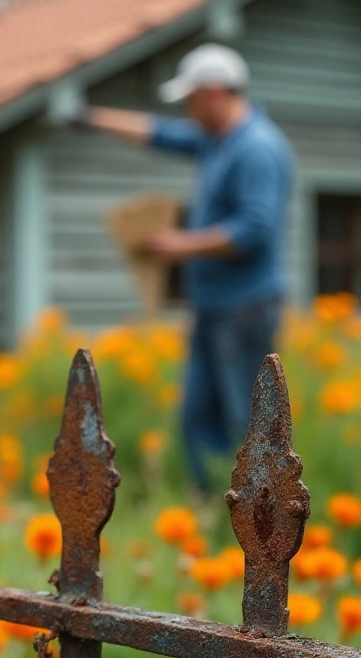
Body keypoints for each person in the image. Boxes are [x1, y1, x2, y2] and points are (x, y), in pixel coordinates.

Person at [71, 44, 296, 494]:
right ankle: (213, 509)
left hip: (246, 309)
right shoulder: (217, 142)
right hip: (214, 308)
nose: (188, 113)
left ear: (213, 93)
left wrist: (181, 245)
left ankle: (259, 525)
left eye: (191, 100)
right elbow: (162, 134)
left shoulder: (256, 149)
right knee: (197, 418)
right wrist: (91, 118)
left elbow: (254, 231)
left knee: (245, 423)